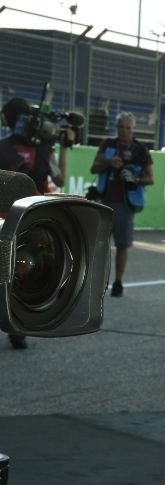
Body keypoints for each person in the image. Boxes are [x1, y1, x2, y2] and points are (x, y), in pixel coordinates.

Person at [1, 96, 74, 349]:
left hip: (5, 220)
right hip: (34, 220)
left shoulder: (3, 146)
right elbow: (61, 179)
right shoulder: (44, 149)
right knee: (22, 271)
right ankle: (16, 326)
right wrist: (65, 147)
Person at [89, 111, 154, 298]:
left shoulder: (141, 150)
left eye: (127, 128)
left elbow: (151, 179)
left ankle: (118, 282)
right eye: (120, 127)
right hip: (103, 201)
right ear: (116, 127)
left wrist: (134, 179)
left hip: (125, 204)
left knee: (122, 245)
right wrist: (109, 163)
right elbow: (93, 168)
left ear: (133, 129)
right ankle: (95, 283)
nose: (124, 131)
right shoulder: (107, 144)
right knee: (99, 245)